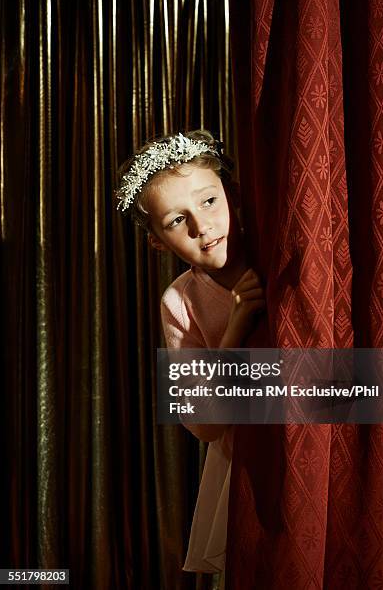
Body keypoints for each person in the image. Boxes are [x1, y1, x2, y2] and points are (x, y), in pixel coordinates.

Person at [117, 130, 265, 576]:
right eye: (176, 221)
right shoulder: (178, 302)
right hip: (252, 459)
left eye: (208, 201)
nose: (202, 227)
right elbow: (203, 424)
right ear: (158, 242)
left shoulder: (286, 253)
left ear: (232, 194)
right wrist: (236, 327)